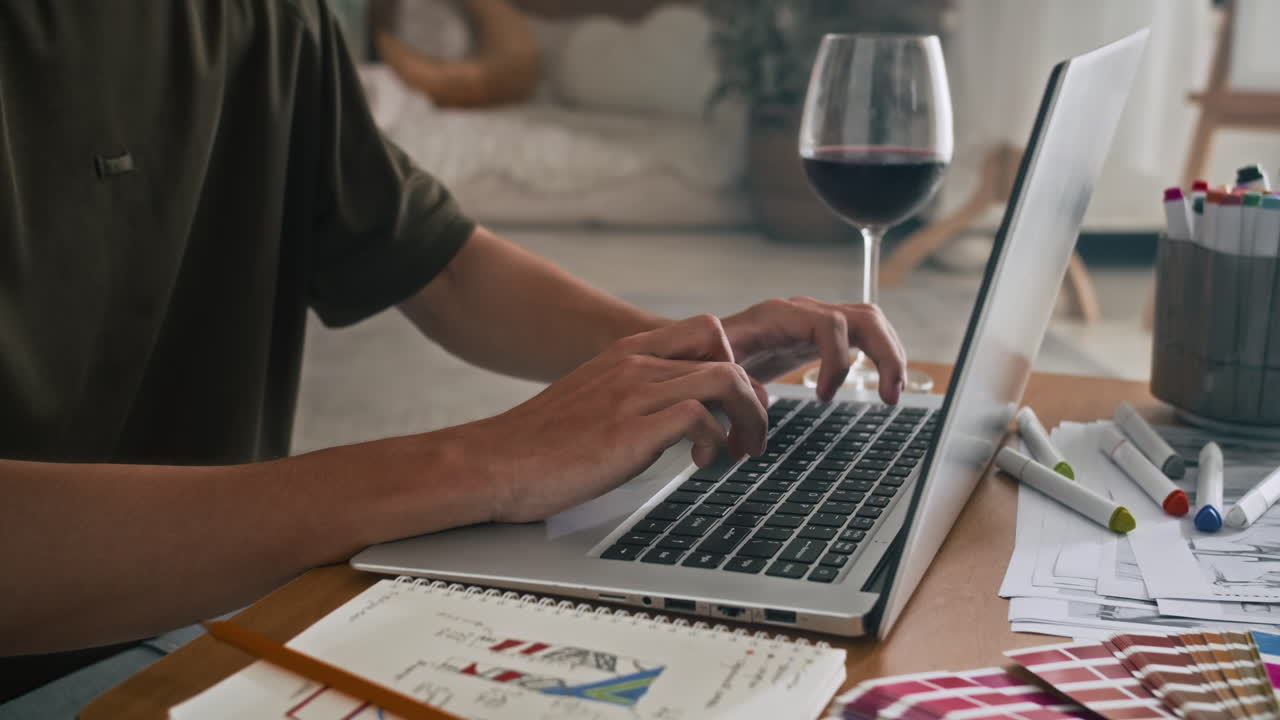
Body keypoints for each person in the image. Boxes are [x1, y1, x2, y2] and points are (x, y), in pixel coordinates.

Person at [0, 0, 906, 707]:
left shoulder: (271, 18)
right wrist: (475, 462)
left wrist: (682, 359)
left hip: (210, 617)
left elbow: (438, 266)